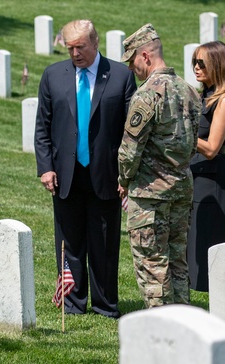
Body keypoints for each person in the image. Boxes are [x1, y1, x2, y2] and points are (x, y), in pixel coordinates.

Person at [35, 19, 137, 319]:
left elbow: (131, 133)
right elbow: (43, 127)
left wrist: (126, 174)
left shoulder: (120, 76)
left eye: (80, 46)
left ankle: (105, 305)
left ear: (95, 42)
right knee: (69, 241)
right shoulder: (53, 75)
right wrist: (46, 168)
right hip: (65, 174)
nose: (75, 53)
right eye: (69, 48)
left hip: (106, 174)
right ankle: (72, 302)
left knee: (104, 243)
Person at [117, 23, 201, 308]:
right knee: (177, 263)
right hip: (181, 188)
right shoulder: (189, 91)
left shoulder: (146, 95)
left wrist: (124, 179)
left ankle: (164, 331)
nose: (131, 69)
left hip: (150, 195)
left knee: (152, 264)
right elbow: (192, 144)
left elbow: (129, 150)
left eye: (132, 62)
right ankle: (185, 324)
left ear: (145, 56)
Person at [186, 41, 225, 292]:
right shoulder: (204, 94)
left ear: (218, 65)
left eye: (202, 63)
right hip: (196, 176)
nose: (196, 68)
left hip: (213, 181)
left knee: (214, 248)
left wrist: (181, 133)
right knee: (193, 248)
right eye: (194, 62)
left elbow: (211, 148)